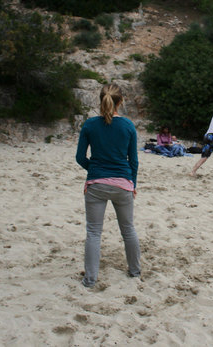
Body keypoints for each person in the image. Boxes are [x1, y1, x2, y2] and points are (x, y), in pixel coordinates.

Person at [76, 84, 140, 287]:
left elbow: (80, 158)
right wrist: (133, 183)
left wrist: (94, 171)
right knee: (128, 230)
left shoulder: (89, 125)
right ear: (120, 101)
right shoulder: (128, 126)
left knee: (94, 232)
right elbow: (134, 161)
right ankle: (135, 271)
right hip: (123, 184)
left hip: (96, 184)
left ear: (100, 100)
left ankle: (90, 279)